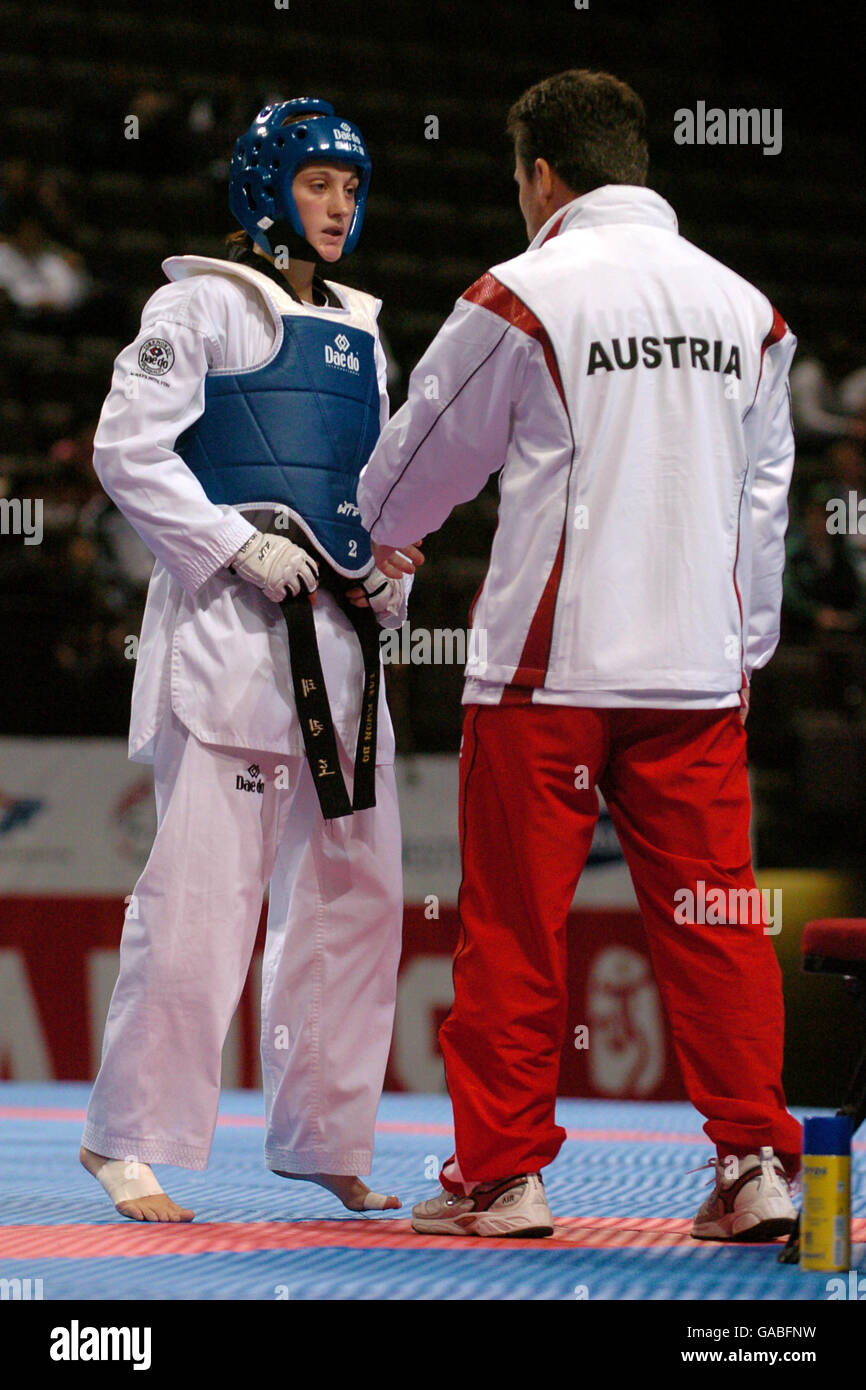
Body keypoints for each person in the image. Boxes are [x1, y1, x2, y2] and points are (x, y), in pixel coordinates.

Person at [358, 69, 802, 1240]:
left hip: (546, 676)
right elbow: (765, 509)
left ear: (540, 175)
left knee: (512, 924)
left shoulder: (524, 292)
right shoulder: (748, 310)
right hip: (696, 678)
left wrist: (385, 538)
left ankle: (501, 1177)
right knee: (716, 920)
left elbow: (418, 464)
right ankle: (755, 1162)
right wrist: (740, 646)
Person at [80, 98, 415, 1221]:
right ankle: (129, 1138)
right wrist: (231, 540)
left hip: (342, 646)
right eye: (319, 183)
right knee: (198, 903)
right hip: (229, 632)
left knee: (354, 901)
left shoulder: (365, 331)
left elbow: (374, 486)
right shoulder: (197, 302)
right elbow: (126, 448)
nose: (338, 206)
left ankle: (323, 1133)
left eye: (352, 188)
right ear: (269, 187)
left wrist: (391, 566)